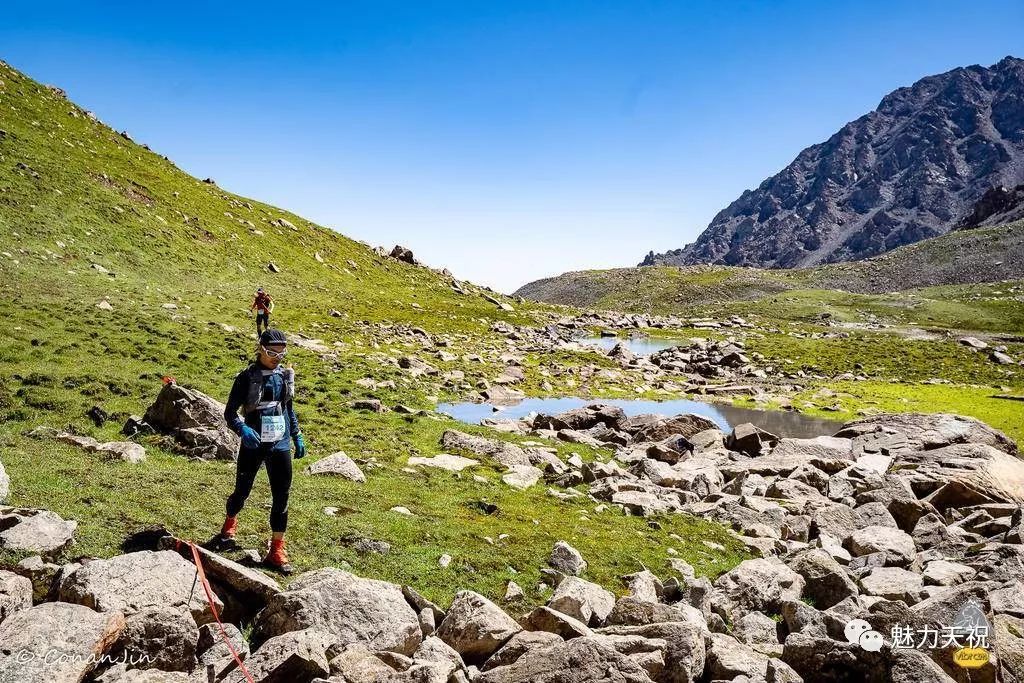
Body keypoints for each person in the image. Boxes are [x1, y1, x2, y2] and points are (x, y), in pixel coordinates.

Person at [220, 328, 306, 572]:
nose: (276, 357)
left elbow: (288, 408)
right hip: (254, 442)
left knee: (282, 496)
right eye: (271, 352)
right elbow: (230, 413)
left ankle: (277, 549)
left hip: (279, 443)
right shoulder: (246, 377)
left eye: (281, 353)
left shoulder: (283, 377)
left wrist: (297, 434)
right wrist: (242, 429)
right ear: (260, 348)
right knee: (242, 490)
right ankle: (229, 523)